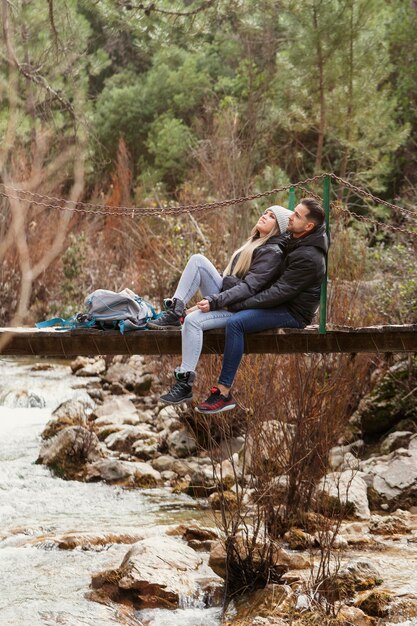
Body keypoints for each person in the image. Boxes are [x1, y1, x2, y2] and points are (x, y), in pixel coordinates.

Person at [194, 197, 328, 414]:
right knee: (233, 295)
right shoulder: (296, 237)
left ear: (309, 225)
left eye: (296, 215)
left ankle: (224, 392)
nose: (290, 217)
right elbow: (271, 250)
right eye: (293, 212)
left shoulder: (309, 257)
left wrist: (235, 304)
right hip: (280, 301)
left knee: (236, 323)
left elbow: (279, 293)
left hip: (293, 312)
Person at [147, 205, 293, 405]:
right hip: (228, 299)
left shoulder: (272, 252)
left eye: (272, 217)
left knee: (192, 322)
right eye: (265, 212)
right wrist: (212, 299)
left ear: (279, 227)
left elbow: (248, 288)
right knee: (197, 260)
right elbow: (231, 282)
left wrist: (213, 301)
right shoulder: (255, 243)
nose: (264, 216)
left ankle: (184, 384)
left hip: (240, 309)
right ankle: (174, 309)